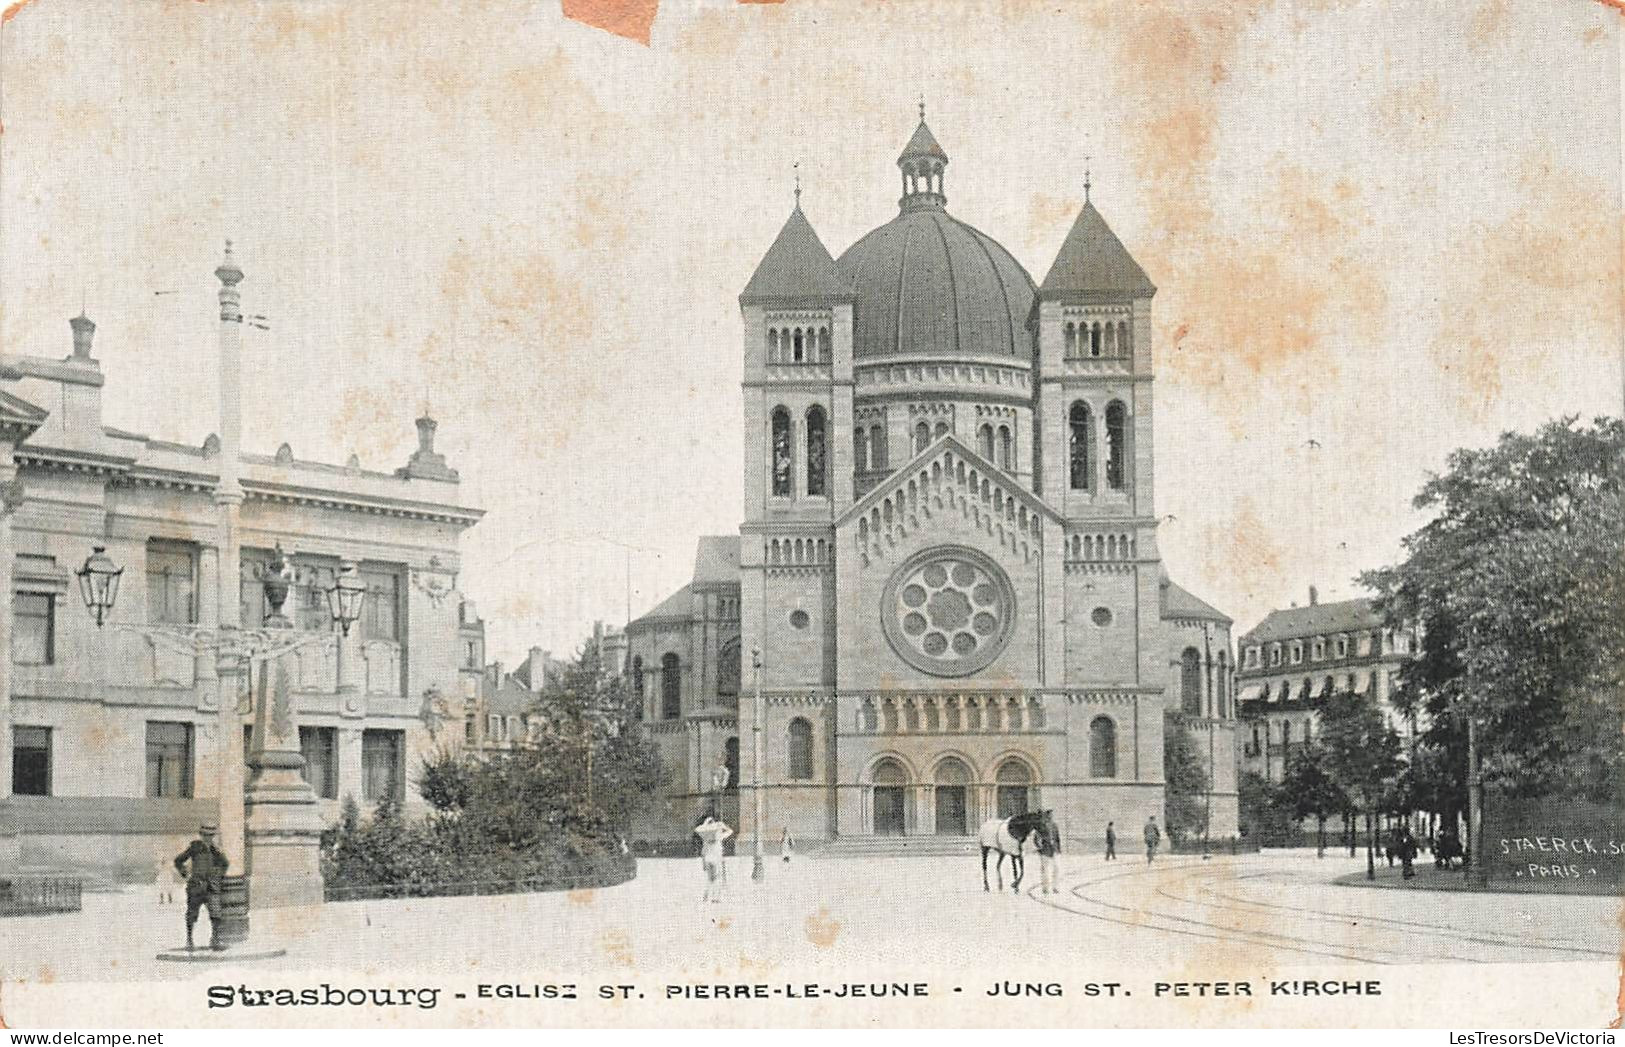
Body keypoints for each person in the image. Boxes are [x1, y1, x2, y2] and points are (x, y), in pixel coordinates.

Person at [173, 823, 229, 951]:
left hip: (211, 888)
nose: (208, 838)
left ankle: (214, 940)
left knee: (216, 915)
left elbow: (224, 864)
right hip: (196, 887)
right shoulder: (195, 847)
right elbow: (178, 860)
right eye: (205, 835)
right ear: (201, 835)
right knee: (192, 915)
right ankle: (189, 940)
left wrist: (217, 877)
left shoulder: (216, 851)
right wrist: (184, 873)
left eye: (210, 835)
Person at [694, 815, 733, 904]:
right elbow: (730, 831)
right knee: (717, 878)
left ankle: (706, 895)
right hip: (716, 858)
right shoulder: (719, 836)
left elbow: (703, 851)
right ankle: (716, 897)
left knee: (709, 879)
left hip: (707, 858)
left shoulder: (705, 838)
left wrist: (703, 862)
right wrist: (722, 825)